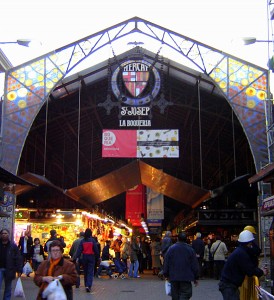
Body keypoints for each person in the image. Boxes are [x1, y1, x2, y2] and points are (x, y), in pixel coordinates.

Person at [218, 230, 268, 300]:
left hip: (228, 284)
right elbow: (250, 270)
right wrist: (261, 272)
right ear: (249, 243)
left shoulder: (240, 251)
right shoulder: (242, 254)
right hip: (229, 285)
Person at [163, 231, 199, 300]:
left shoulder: (171, 249)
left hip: (174, 276)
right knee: (185, 294)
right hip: (186, 277)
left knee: (175, 295)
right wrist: (196, 277)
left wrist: (166, 274)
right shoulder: (190, 250)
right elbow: (194, 264)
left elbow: (166, 262)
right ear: (186, 239)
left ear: (177, 239)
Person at [0, 228, 23, 300]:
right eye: (2, 233)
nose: (4, 235)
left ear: (8, 235)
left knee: (8, 288)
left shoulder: (13, 246)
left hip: (9, 269)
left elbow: (18, 258)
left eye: (5, 233)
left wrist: (19, 270)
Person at [75, 228, 99, 293]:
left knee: (85, 271)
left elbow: (79, 250)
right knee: (90, 272)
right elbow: (96, 249)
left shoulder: (82, 241)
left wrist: (76, 257)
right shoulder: (93, 241)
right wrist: (98, 257)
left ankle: (86, 285)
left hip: (84, 257)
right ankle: (88, 285)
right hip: (91, 257)